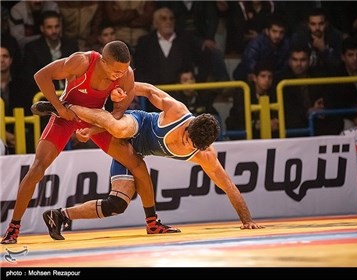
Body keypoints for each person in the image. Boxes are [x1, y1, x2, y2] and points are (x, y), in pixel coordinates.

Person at [32, 81, 263, 240]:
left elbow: (229, 186)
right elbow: (148, 90)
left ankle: (59, 215)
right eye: (186, 137)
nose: (185, 145)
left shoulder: (205, 155)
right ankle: (63, 107)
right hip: (136, 125)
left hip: (134, 154)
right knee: (120, 129)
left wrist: (247, 220)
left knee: (117, 204)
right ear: (189, 125)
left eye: (191, 146)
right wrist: (121, 91)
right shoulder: (177, 112)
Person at [1, 40, 177, 244]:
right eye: (116, 71)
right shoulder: (82, 62)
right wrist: (59, 108)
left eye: (123, 71)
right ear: (103, 61)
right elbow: (41, 76)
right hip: (66, 115)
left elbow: (117, 114)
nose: (120, 75)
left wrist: (94, 129)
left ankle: (152, 223)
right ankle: (13, 227)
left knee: (137, 163)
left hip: (96, 117)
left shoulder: (127, 74)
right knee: (37, 168)